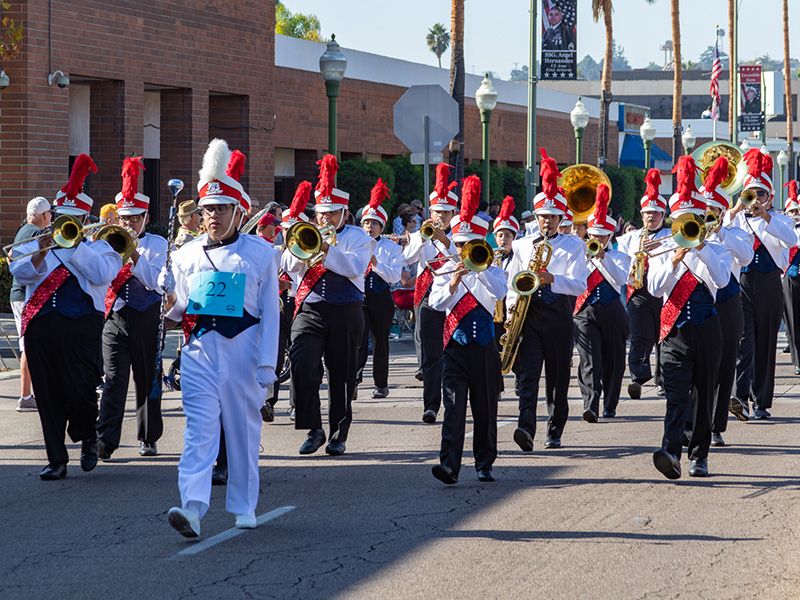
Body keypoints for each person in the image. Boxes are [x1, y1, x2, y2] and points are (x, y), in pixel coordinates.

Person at [165, 139, 280, 537]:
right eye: (207, 210)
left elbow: (271, 313)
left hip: (242, 352)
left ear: (238, 211)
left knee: (242, 430)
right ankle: (192, 508)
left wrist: (267, 364)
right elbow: (180, 312)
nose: (211, 216)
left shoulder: (261, 254)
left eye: (220, 209)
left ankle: (244, 505)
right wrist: (168, 298)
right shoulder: (185, 255)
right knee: (199, 431)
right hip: (198, 352)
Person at [9, 154, 122, 480]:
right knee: (48, 393)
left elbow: (103, 274)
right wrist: (43, 251)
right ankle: (56, 459)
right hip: (41, 324)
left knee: (82, 390)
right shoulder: (37, 243)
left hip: (82, 324)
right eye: (62, 219)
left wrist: (74, 246)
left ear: (85, 219)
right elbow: (20, 272)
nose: (64, 226)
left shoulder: (100, 247)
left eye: (72, 220)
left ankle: (88, 438)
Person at [284, 155, 374, 457]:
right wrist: (301, 251)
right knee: (301, 363)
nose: (326, 219)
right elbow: (287, 265)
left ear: (344, 213)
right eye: (322, 214)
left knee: (342, 375)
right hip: (311, 309)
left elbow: (354, 268)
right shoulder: (304, 232)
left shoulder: (358, 238)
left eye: (332, 214)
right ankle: (314, 428)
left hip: (346, 310)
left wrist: (326, 249)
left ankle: (338, 433)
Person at [648, 156, 730, 479]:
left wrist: (701, 247)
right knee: (676, 395)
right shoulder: (663, 248)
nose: (685, 226)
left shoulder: (714, 248)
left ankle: (700, 455)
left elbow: (722, 280)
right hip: (675, 332)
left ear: (699, 218)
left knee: (705, 394)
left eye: (691, 220)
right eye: (680, 221)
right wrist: (673, 260)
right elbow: (655, 288)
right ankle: (670, 450)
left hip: (708, 329)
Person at [507, 150, 588, 451]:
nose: (548, 222)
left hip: (558, 316)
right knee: (527, 376)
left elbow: (579, 283)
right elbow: (513, 280)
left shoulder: (573, 246)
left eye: (553, 218)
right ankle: (525, 428)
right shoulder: (521, 244)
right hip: (529, 316)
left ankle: (554, 430)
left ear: (560, 218)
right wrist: (512, 306)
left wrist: (554, 279)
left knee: (556, 379)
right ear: (537, 217)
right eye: (543, 217)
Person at [428, 175, 507, 485]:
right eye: (458, 245)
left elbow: (499, 293)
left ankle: (484, 463)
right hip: (454, 347)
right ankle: (449, 465)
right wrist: (453, 280)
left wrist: (480, 268)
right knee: (453, 408)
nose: (461, 251)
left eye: (467, 246)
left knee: (486, 408)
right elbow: (436, 302)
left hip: (485, 347)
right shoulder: (446, 268)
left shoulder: (493, 268)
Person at [96, 157, 168, 459]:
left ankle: (148, 436)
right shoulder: (106, 242)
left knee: (146, 377)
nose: (130, 224)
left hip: (146, 317)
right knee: (113, 380)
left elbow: (155, 282)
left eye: (136, 218)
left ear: (146, 215)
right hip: (115, 317)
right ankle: (106, 440)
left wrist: (133, 254)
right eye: (125, 219)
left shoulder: (157, 244)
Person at [730, 149, 795, 420]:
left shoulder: (780, 218)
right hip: (743, 282)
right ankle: (740, 397)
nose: (756, 200)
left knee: (765, 342)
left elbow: (790, 240)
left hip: (769, 284)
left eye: (762, 195)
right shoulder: (737, 220)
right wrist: (735, 209)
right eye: (751, 194)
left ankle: (761, 401)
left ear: (770, 198)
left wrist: (765, 216)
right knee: (744, 341)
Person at [697, 157, 753, 447]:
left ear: (721, 211)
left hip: (729, 302)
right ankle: (695, 422)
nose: (707, 215)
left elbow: (746, 257)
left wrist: (719, 231)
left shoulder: (735, 233)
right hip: (700, 302)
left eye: (713, 211)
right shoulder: (689, 236)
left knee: (725, 363)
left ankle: (717, 425)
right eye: (704, 211)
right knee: (700, 364)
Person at [403, 163, 459, 424]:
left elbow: (463, 260)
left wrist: (445, 240)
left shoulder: (462, 236)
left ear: (454, 213)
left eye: (446, 212)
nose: (441, 216)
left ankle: (453, 402)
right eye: (437, 211)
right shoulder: (420, 233)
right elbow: (408, 257)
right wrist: (423, 237)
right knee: (430, 353)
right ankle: (431, 405)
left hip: (454, 295)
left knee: (452, 353)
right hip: (426, 296)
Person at [573, 185, 631, 421]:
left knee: (614, 360)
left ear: (610, 237)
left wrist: (603, 258)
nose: (597, 239)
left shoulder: (619, 257)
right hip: (585, 311)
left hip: (612, 310)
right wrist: (587, 258)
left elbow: (621, 279)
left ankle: (610, 404)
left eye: (602, 236)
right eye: (593, 235)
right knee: (589, 360)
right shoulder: (580, 255)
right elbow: (575, 280)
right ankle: (590, 404)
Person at [616, 169, 671, 400]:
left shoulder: (670, 235)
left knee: (663, 336)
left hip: (663, 293)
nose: (651, 217)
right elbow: (620, 264)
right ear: (641, 214)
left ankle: (663, 380)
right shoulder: (629, 238)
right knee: (639, 335)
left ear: (663, 214)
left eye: (656, 213)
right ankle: (638, 377)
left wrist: (658, 251)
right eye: (648, 213)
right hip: (637, 292)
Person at [357, 179, 404, 399]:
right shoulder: (354, 243)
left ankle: (380, 384)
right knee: (357, 339)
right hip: (358, 298)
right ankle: (353, 379)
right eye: (366, 223)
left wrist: (376, 264)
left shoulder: (391, 248)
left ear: (382, 226)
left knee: (380, 343)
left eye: (374, 223)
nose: (369, 227)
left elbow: (395, 276)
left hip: (381, 297)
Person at [9, 197, 52, 412]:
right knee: (29, 346)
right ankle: (26, 396)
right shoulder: (37, 234)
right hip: (25, 295)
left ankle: (29, 394)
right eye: (50, 214)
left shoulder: (23, 231)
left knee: (30, 345)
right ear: (44, 215)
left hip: (20, 294)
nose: (51, 217)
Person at [492, 196, 518, 348]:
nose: (504, 239)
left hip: (513, 307)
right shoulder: (490, 257)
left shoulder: (520, 257)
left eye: (508, 235)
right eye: (500, 235)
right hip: (495, 310)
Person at [781, 181, 800, 376]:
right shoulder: (785, 228)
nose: (795, 214)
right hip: (791, 276)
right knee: (793, 320)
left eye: (798, 211)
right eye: (792, 211)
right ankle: (797, 360)